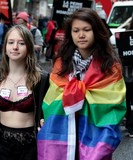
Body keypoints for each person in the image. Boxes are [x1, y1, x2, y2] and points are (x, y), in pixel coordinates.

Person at [37, 8, 126, 160]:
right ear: (70, 34)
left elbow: (115, 104)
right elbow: (52, 99)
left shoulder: (110, 66)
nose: (81, 35)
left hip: (95, 137)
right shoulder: (61, 64)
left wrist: (80, 93)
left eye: (86, 30)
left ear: (96, 32)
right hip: (64, 134)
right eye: (76, 30)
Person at [0, 24, 49, 160]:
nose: (15, 47)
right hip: (0, 146)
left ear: (28, 47)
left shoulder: (41, 79)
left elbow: (47, 115)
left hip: (31, 149)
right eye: (11, 42)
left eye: (21, 43)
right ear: (5, 47)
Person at [123, 16, 133, 137]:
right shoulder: (126, 35)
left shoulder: (126, 34)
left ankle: (130, 124)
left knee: (128, 99)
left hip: (127, 74)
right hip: (128, 73)